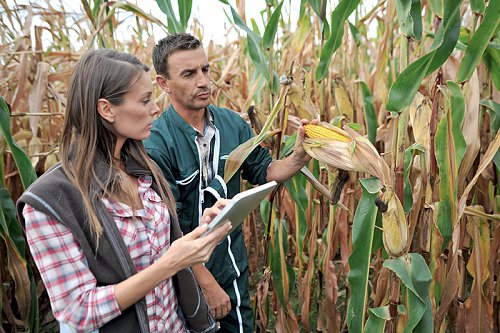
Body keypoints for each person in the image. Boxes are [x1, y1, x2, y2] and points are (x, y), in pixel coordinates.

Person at [16, 49, 232, 333]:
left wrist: (203, 231)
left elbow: (161, 245)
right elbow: (78, 311)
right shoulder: (50, 201)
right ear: (107, 109)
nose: (156, 108)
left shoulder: (143, 168)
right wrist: (170, 264)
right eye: (144, 100)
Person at [144, 33, 314, 333]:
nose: (203, 81)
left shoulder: (232, 125)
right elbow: (167, 227)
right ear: (163, 84)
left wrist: (299, 156)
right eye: (189, 74)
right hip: (182, 274)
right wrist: (206, 284)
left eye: (205, 70)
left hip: (230, 263)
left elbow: (264, 170)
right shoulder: (156, 144)